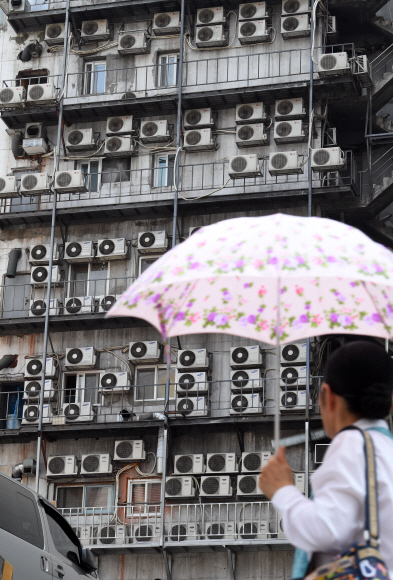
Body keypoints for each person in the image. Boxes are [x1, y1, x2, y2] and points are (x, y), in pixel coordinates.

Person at [259, 341, 393, 577]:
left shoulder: (352, 444)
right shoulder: (386, 448)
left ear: (328, 397)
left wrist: (283, 491)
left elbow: (326, 530)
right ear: (389, 404)